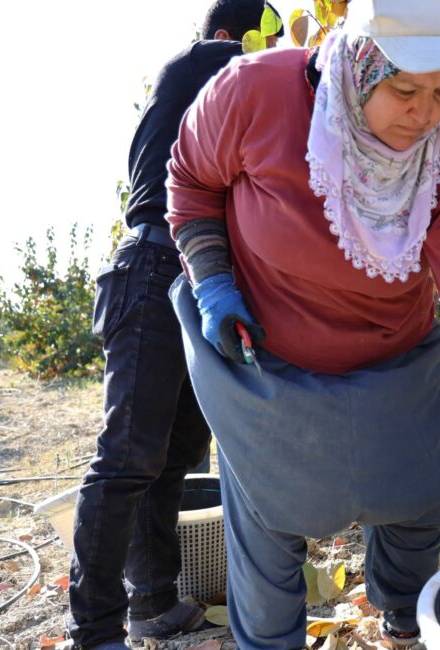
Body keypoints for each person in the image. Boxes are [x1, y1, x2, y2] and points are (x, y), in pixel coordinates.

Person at [164, 0, 440, 647]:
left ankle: (404, 616)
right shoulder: (254, 95)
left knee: (419, 492)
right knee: (269, 518)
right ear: (359, 68)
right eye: (405, 88)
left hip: (393, 356)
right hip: (264, 354)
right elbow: (190, 182)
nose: (424, 112)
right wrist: (212, 279)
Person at [67, 4, 283, 649]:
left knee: (170, 460)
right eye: (260, 43)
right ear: (231, 37)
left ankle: (153, 605)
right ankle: (94, 629)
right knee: (128, 457)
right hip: (158, 264)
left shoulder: (197, 88)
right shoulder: (205, 62)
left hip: (188, 275)